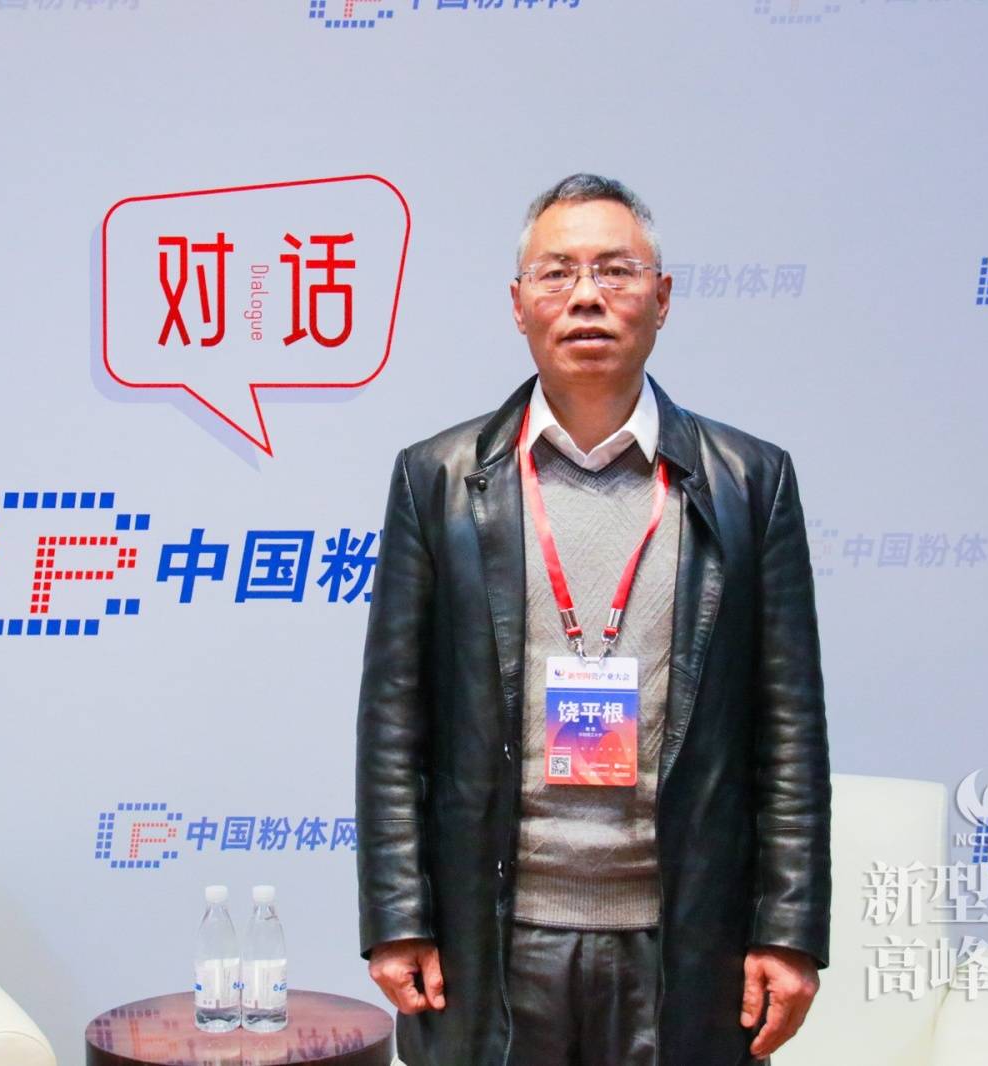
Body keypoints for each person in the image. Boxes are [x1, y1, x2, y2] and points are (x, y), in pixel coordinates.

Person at [354, 174, 831, 1066]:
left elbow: (789, 728)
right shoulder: (439, 479)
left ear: (662, 299)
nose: (585, 296)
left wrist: (790, 930)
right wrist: (396, 916)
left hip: (686, 942)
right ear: (518, 304)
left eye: (615, 271)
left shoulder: (749, 482)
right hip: (492, 940)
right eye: (556, 273)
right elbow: (393, 719)